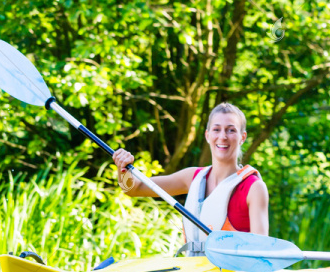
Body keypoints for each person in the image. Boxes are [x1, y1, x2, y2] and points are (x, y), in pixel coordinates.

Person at [112, 102, 269, 256]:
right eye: (216, 129)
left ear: (242, 137)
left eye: (231, 130)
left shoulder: (254, 188)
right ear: (207, 135)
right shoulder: (192, 177)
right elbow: (133, 189)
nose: (223, 136)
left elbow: (261, 255)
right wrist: (123, 169)